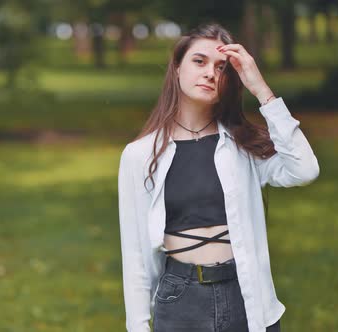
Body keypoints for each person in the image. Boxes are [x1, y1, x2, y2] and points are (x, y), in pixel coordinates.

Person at [117, 23, 320, 332]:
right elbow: (135, 255)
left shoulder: (243, 145)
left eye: (222, 67)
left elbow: (304, 169)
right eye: (199, 61)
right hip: (181, 299)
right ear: (176, 69)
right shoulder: (140, 155)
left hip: (247, 296)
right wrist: (138, 326)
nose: (211, 73)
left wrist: (262, 90)